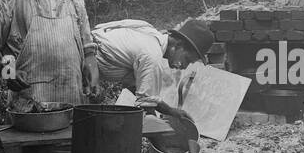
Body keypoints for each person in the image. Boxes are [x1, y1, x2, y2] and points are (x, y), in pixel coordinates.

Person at [86, 17, 215, 116]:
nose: (184, 67)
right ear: (178, 45)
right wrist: (163, 141)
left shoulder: (152, 36)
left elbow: (144, 94)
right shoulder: (152, 55)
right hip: (80, 57)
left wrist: (171, 111)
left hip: (87, 59)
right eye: (186, 59)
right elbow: (146, 107)